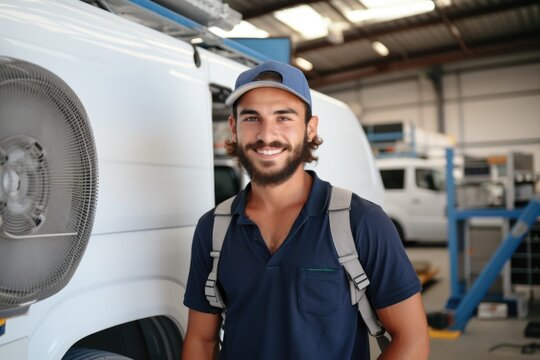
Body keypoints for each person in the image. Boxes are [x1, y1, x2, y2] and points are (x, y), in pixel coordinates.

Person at [182, 60, 430, 359]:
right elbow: (201, 341)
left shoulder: (360, 222)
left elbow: (411, 339)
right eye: (251, 118)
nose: (266, 134)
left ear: (310, 129)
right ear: (233, 128)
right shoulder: (213, 229)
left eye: (283, 118)